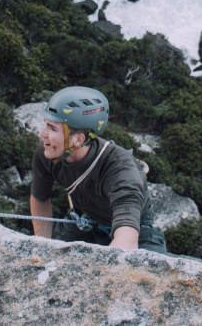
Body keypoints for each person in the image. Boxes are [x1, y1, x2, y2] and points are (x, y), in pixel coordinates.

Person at [29, 87, 167, 253]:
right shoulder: (49, 152)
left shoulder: (121, 171)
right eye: (45, 125)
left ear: (78, 140)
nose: (41, 133)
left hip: (135, 229)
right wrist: (42, 248)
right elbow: (40, 198)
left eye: (52, 128)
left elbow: (126, 239)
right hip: (86, 219)